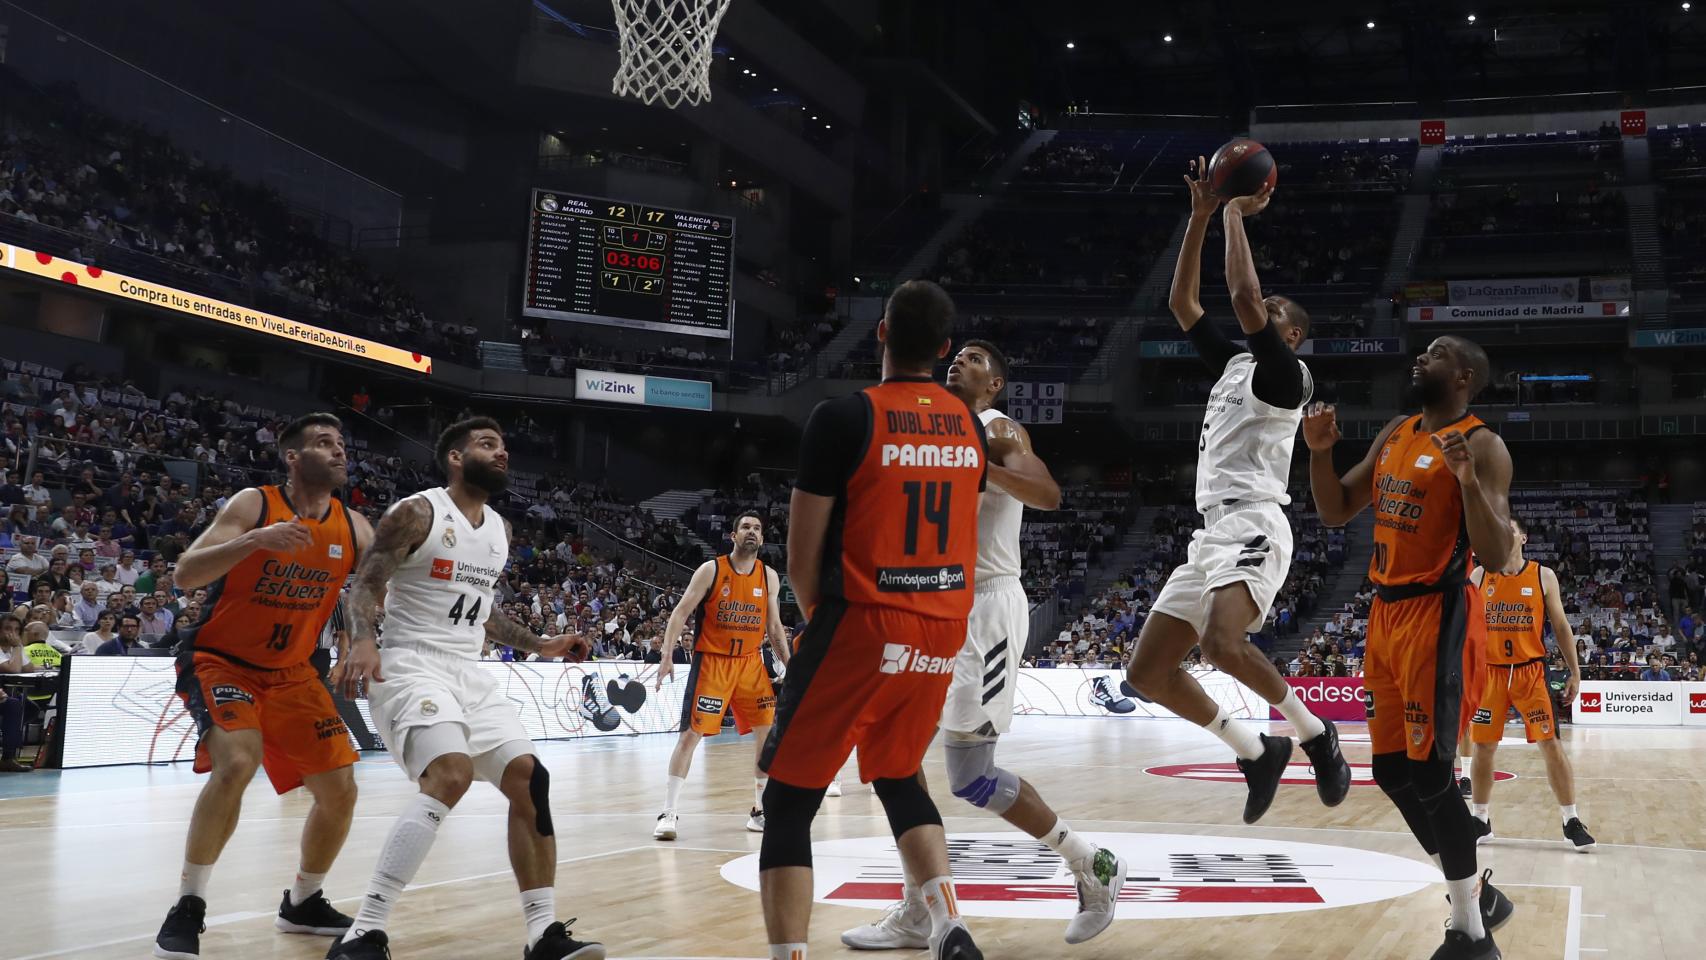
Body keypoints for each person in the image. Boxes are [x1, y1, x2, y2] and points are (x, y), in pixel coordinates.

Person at [842, 339, 1122, 951]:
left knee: (971, 778)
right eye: (957, 354)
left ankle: (1091, 863)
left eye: (974, 358)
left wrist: (979, 466)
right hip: (929, 606)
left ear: (995, 383)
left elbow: (1048, 493)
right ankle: (920, 907)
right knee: (896, 757)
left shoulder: (998, 428)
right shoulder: (932, 433)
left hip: (985, 609)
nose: (960, 361)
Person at [763, 280, 986, 960]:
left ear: (882, 332)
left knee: (789, 802)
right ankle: (949, 926)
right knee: (898, 775)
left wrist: (822, 624)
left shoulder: (844, 417)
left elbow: (801, 556)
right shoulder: (970, 426)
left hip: (864, 620)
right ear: (944, 349)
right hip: (942, 626)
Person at [328, 417, 604, 960]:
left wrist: (541, 644)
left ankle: (542, 934)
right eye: (487, 444)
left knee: (530, 778)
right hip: (410, 663)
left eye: (503, 446)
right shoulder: (417, 512)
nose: (502, 454)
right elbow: (365, 584)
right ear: (455, 457)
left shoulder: (499, 530)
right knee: (450, 774)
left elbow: (483, 613)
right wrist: (362, 640)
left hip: (467, 670)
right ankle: (363, 930)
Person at [1124, 164, 1350, 823]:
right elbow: (1182, 304)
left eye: (1275, 313)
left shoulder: (1286, 374)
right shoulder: (1233, 365)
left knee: (1222, 644)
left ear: (1291, 335)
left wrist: (1232, 213)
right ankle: (1255, 751)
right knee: (1147, 673)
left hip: (1255, 521)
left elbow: (1245, 296)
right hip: (1210, 532)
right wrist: (1198, 217)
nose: (1260, 310)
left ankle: (1315, 734)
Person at [1305, 336, 1518, 960]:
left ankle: (1470, 933)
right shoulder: (1397, 431)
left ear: (1465, 376)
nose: (1422, 358)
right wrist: (1320, 453)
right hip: (1384, 612)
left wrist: (1467, 481)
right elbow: (1336, 509)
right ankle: (1477, 893)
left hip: (1438, 613)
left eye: (1437, 353)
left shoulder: (1483, 444)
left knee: (1430, 772)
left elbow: (1498, 555)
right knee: (1392, 771)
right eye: (1423, 351)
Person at [153, 413, 374, 960]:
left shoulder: (355, 527)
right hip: (222, 661)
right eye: (324, 443)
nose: (339, 451)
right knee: (236, 763)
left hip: (293, 672)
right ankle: (188, 905)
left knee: (341, 789)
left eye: (342, 443)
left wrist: (361, 638)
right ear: (293, 457)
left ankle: (302, 902)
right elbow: (185, 573)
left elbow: (371, 591)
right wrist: (256, 540)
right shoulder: (255, 504)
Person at [652, 512, 790, 841]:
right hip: (713, 663)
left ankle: (759, 810)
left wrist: (791, 664)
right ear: (733, 535)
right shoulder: (711, 570)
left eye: (757, 528)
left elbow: (773, 627)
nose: (752, 532)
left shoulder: (769, 576)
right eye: (745, 527)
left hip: (750, 664)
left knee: (767, 734)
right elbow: (680, 612)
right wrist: (667, 654)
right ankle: (668, 812)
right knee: (691, 735)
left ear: (762, 538)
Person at [1467, 517, 1594, 852]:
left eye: (1510, 529)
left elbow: (1562, 626)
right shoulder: (1479, 575)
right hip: (1490, 673)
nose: (1503, 533)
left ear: (1523, 537)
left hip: (1530, 673)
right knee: (1483, 747)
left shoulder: (1543, 575)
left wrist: (1575, 671)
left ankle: (1571, 819)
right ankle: (1480, 819)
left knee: (1550, 744)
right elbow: (1462, 626)